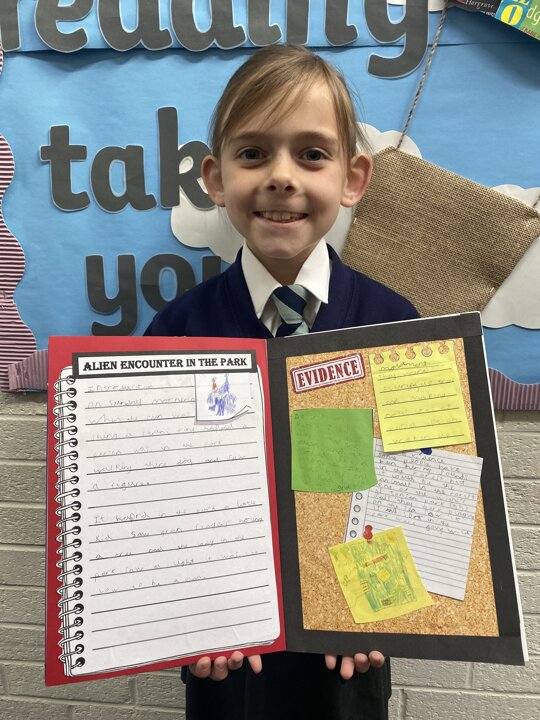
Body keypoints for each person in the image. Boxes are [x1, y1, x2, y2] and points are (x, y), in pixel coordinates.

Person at [145, 44, 418, 720]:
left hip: (349, 653)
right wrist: (183, 613)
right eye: (253, 153)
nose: (281, 177)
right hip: (224, 657)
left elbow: (416, 483)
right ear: (216, 179)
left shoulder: (396, 326)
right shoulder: (176, 333)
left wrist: (385, 608)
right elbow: (157, 498)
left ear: (354, 178)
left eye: (312, 154)